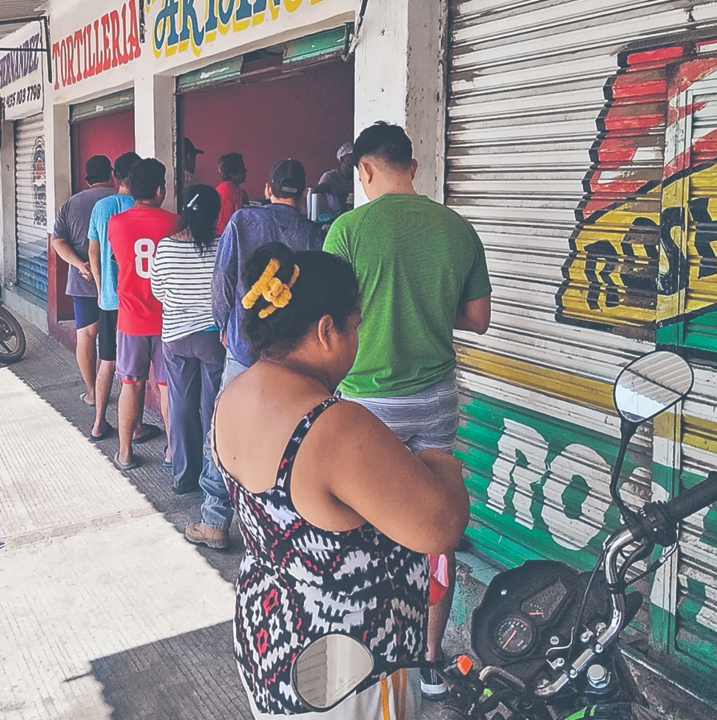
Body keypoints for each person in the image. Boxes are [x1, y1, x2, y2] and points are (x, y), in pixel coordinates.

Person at [213, 243, 469, 718]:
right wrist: (443, 465)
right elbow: (442, 526)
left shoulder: (234, 393)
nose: (357, 338)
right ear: (326, 330)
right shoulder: (333, 426)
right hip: (346, 668)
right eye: (354, 325)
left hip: (269, 642)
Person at [324, 121, 491, 701]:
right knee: (434, 527)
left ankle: (366, 648)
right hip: (435, 402)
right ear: (412, 166)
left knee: (359, 526)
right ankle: (427, 659)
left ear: (365, 170)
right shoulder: (457, 228)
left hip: (365, 404)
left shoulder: (347, 229)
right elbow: (476, 320)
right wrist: (423, 306)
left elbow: (329, 321)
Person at [183, 158, 324, 550]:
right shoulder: (315, 234)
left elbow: (222, 278)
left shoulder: (243, 222)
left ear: (267, 188)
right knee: (288, 434)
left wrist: (226, 325)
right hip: (293, 351)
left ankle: (215, 519)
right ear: (303, 193)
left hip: (244, 346)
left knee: (225, 425)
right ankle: (278, 524)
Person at [150, 184, 224, 494]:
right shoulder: (223, 245)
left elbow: (157, 291)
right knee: (212, 408)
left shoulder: (166, 246)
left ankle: (183, 476)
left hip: (176, 338)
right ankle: (214, 476)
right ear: (216, 214)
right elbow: (228, 289)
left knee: (180, 406)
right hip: (212, 339)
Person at [108, 158, 181, 471]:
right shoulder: (175, 223)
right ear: (160, 189)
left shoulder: (116, 223)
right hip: (168, 321)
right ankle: (172, 453)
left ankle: (125, 453)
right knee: (167, 388)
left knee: (130, 384)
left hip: (131, 320)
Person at [87, 152, 158, 445]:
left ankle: (99, 423)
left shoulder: (101, 207)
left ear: (116, 176)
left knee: (107, 362)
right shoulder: (144, 207)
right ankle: (137, 427)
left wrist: (102, 288)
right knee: (135, 374)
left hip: (108, 300)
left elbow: (93, 252)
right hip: (140, 302)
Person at [51, 155, 115, 407]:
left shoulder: (70, 204)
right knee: (119, 336)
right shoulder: (120, 200)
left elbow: (58, 241)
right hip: (114, 281)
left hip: (83, 280)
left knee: (86, 336)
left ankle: (92, 392)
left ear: (87, 178)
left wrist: (80, 265)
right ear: (111, 174)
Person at [313, 142, 356, 214]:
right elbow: (320, 190)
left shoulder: (358, 177)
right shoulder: (330, 177)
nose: (353, 160)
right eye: (350, 157)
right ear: (341, 160)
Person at [215, 152, 248, 234]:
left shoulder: (217, 189)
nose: (246, 170)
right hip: (229, 234)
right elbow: (241, 219)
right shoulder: (239, 193)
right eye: (242, 168)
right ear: (232, 173)